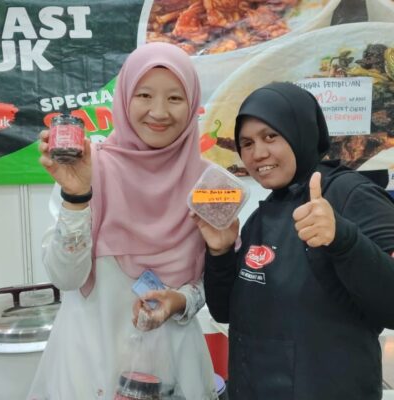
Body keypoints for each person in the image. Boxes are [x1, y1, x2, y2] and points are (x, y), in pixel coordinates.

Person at [27, 42, 218, 400]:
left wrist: (180, 301)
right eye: (144, 95)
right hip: (88, 368)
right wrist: (76, 197)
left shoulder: (208, 184)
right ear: (124, 97)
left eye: (175, 98)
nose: (159, 112)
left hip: (173, 368)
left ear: (193, 103)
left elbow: (216, 282)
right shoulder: (86, 167)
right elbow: (66, 277)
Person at [192, 81, 394, 400]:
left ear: (300, 130)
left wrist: (344, 239)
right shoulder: (260, 217)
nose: (258, 153)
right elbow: (224, 313)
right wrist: (220, 252)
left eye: (270, 136)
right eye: (247, 143)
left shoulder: (351, 195)